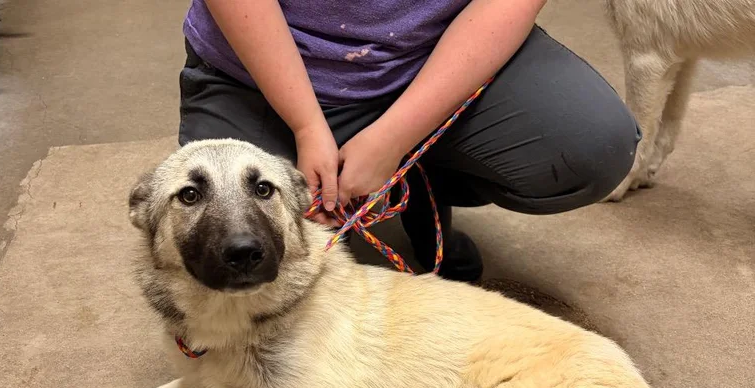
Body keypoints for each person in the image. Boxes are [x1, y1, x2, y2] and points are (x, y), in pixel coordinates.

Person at [179, 1, 639, 282]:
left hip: (433, 54)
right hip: (258, 69)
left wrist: (395, 138)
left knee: (592, 147)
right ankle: (400, 173)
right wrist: (306, 125)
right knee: (223, 248)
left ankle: (421, 177)